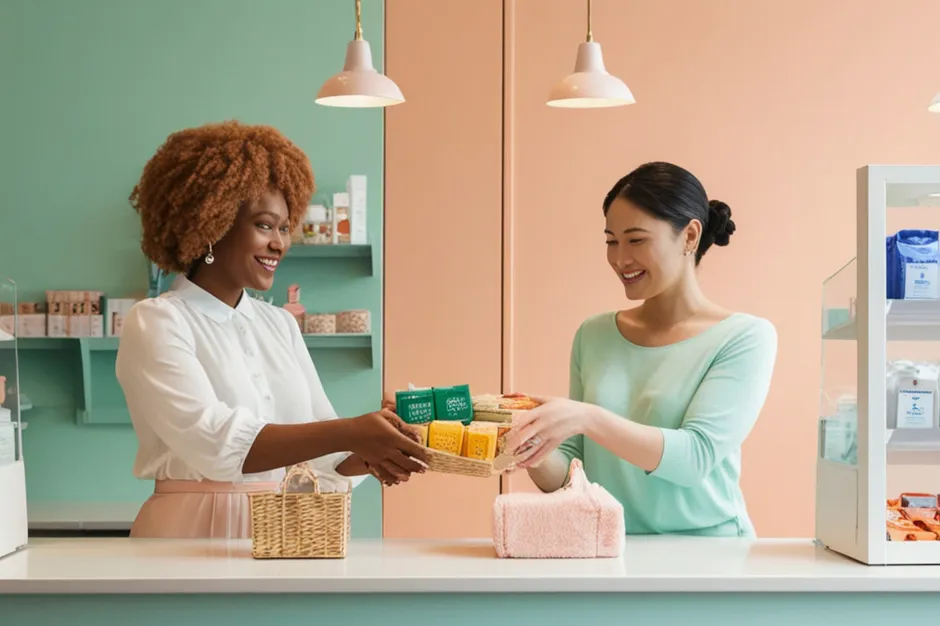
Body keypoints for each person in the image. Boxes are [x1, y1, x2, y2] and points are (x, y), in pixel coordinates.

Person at [115, 121, 427, 539]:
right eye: (264, 225)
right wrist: (353, 430)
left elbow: (318, 464)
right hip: (190, 533)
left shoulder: (279, 325)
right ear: (213, 224)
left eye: (284, 227)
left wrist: (372, 450)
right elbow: (216, 445)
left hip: (283, 533)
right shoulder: (158, 321)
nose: (280, 243)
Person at [505, 162, 777, 538]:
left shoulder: (744, 337)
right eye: (610, 241)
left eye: (636, 240)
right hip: (612, 553)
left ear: (690, 236)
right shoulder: (594, 334)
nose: (620, 259)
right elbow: (573, 474)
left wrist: (586, 417)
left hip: (712, 562)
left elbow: (694, 458)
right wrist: (527, 445)